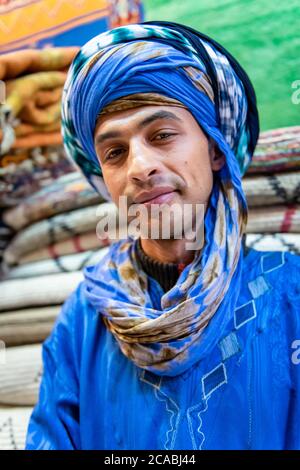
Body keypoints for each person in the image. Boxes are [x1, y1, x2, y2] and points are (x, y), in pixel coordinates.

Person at [25, 21, 300, 450]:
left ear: (214, 149)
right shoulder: (85, 317)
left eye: (162, 135)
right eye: (114, 152)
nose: (139, 167)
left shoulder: (290, 293)